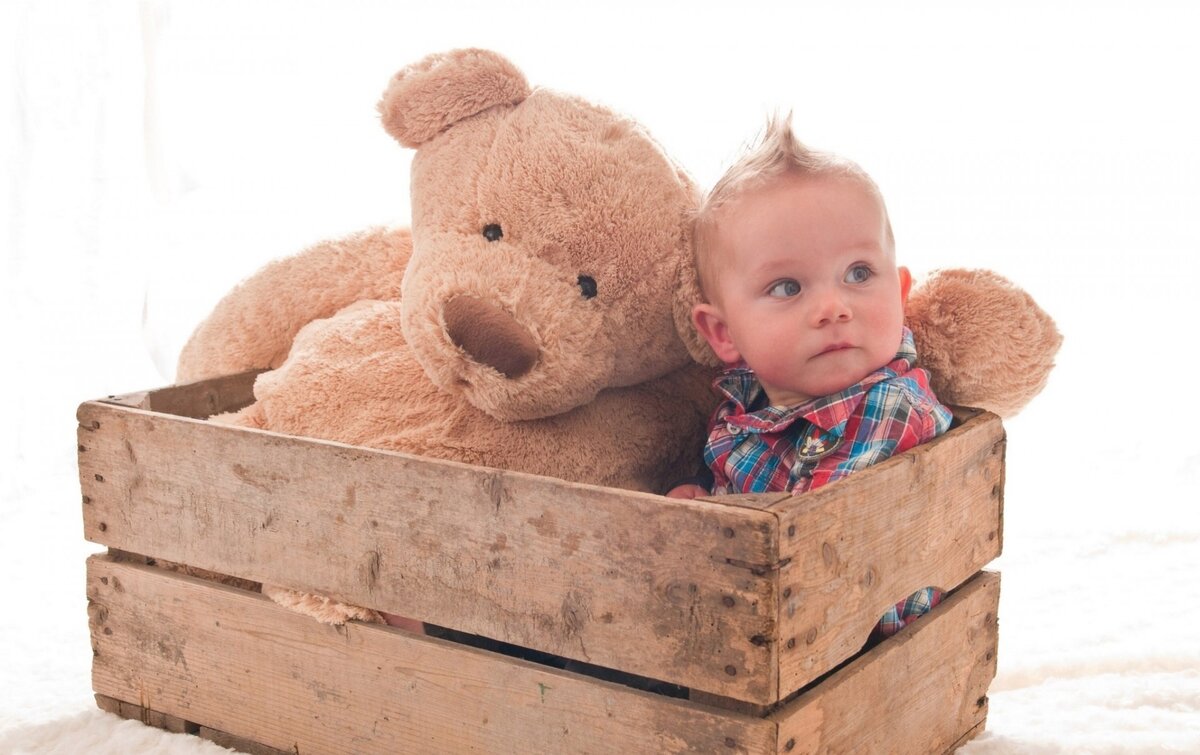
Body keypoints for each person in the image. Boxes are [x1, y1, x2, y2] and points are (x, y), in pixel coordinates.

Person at [668, 114, 952, 638]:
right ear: (724, 333)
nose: (832, 307)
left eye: (859, 274)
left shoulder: (887, 407)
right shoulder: (745, 404)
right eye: (787, 287)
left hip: (844, 639)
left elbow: (810, 542)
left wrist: (721, 528)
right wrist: (704, 505)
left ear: (900, 292)